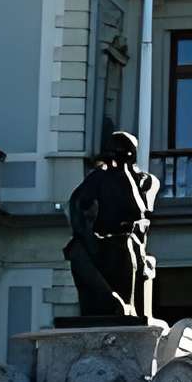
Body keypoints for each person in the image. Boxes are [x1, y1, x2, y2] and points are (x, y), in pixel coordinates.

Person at [63, 132, 157, 320]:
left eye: (118, 157)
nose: (112, 164)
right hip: (99, 240)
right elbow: (77, 204)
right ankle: (110, 301)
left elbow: (138, 211)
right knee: (78, 253)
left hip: (125, 241)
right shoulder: (99, 178)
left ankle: (121, 306)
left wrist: (124, 172)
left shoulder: (145, 181)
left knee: (125, 250)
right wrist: (86, 234)